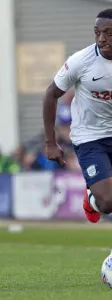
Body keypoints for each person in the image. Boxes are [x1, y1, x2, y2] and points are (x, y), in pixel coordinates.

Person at [43, 9, 112, 224]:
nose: (101, 38)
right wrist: (51, 142)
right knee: (108, 202)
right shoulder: (81, 61)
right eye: (97, 32)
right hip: (90, 138)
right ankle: (92, 198)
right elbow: (51, 94)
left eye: (109, 33)